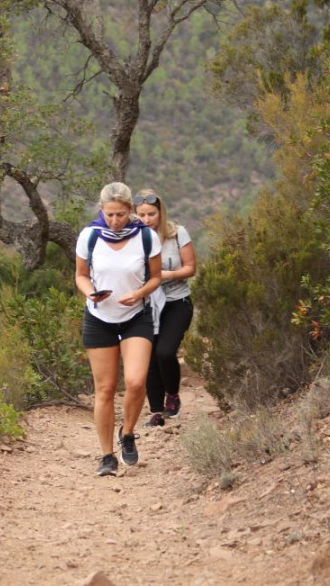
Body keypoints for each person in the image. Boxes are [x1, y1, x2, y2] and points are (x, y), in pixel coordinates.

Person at [75, 182, 162, 475]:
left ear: (131, 212)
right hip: (99, 318)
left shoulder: (146, 237)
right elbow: (80, 275)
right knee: (105, 389)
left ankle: (127, 432)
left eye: (121, 215)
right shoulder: (89, 236)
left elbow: (155, 277)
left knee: (136, 382)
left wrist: (138, 294)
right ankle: (106, 456)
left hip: (136, 315)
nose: (115, 221)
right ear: (102, 210)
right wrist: (89, 292)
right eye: (110, 214)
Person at [133, 189, 196, 428]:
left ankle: (173, 395)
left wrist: (164, 275)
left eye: (151, 214)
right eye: (141, 215)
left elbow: (190, 268)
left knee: (165, 352)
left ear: (160, 212)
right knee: (148, 359)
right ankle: (156, 412)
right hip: (146, 305)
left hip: (177, 303)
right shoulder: (133, 238)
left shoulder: (177, 234)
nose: (146, 219)